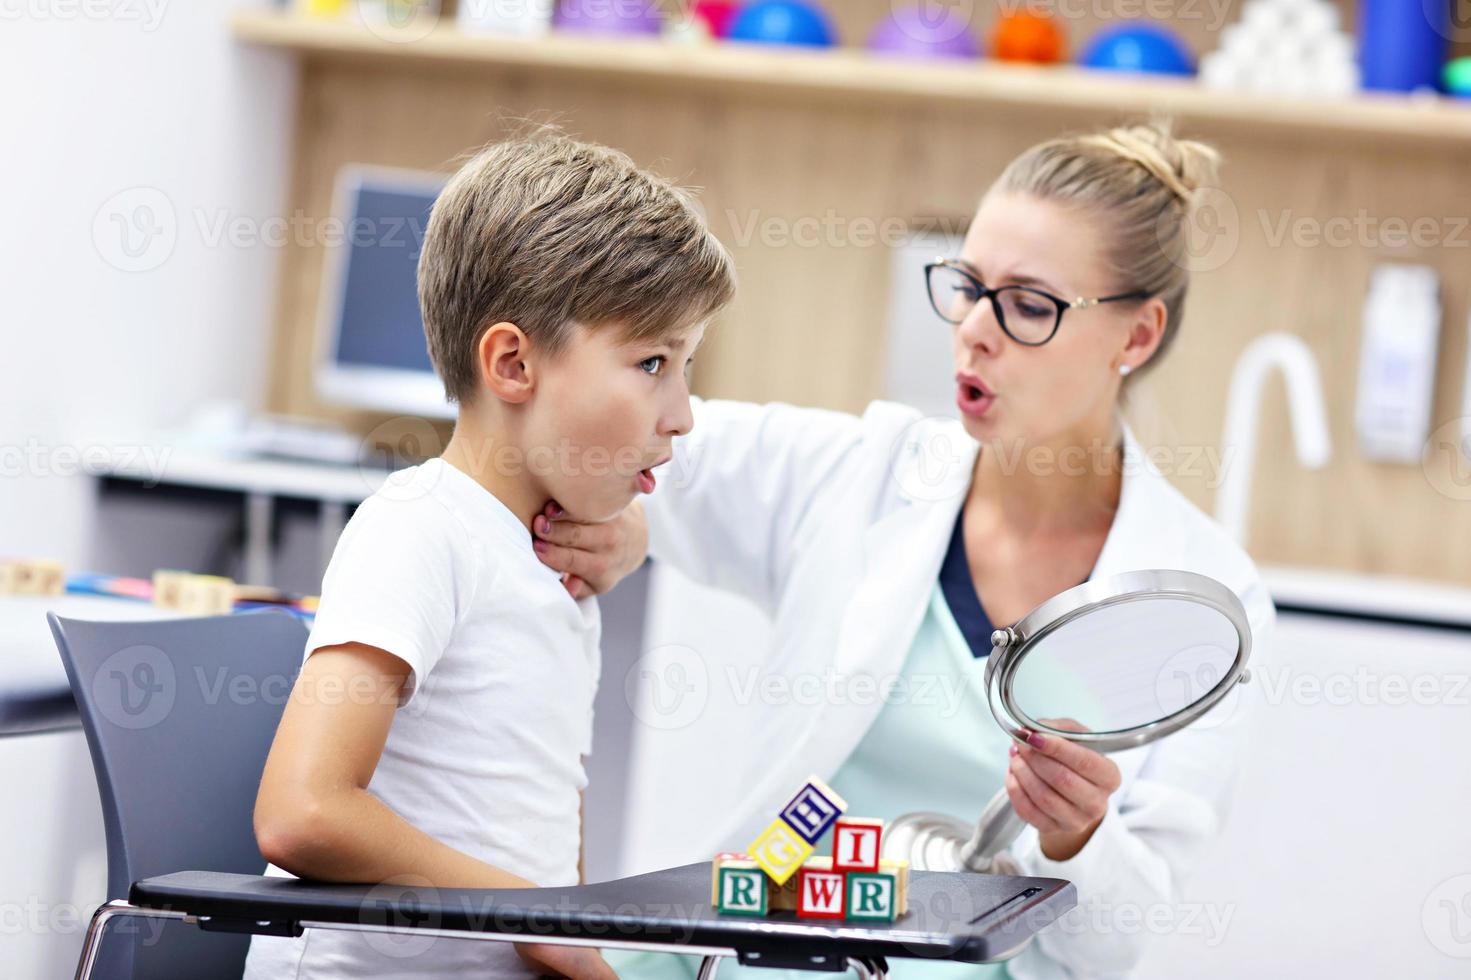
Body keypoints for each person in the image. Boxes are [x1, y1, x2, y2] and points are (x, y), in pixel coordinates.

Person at [531, 121, 1276, 978]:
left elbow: (1115, 946)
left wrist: (1078, 838)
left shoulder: (1204, 590)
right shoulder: (865, 474)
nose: (973, 331)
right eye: (966, 286)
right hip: (750, 955)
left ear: (1136, 337)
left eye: (1028, 305)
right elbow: (605, 432)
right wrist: (625, 510)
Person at [241, 131, 734, 980]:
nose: (682, 413)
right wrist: (539, 924)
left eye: (685, 366)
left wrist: (557, 934)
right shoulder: (420, 528)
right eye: (652, 362)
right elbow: (303, 811)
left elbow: (539, 833)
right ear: (512, 362)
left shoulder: (551, 565)